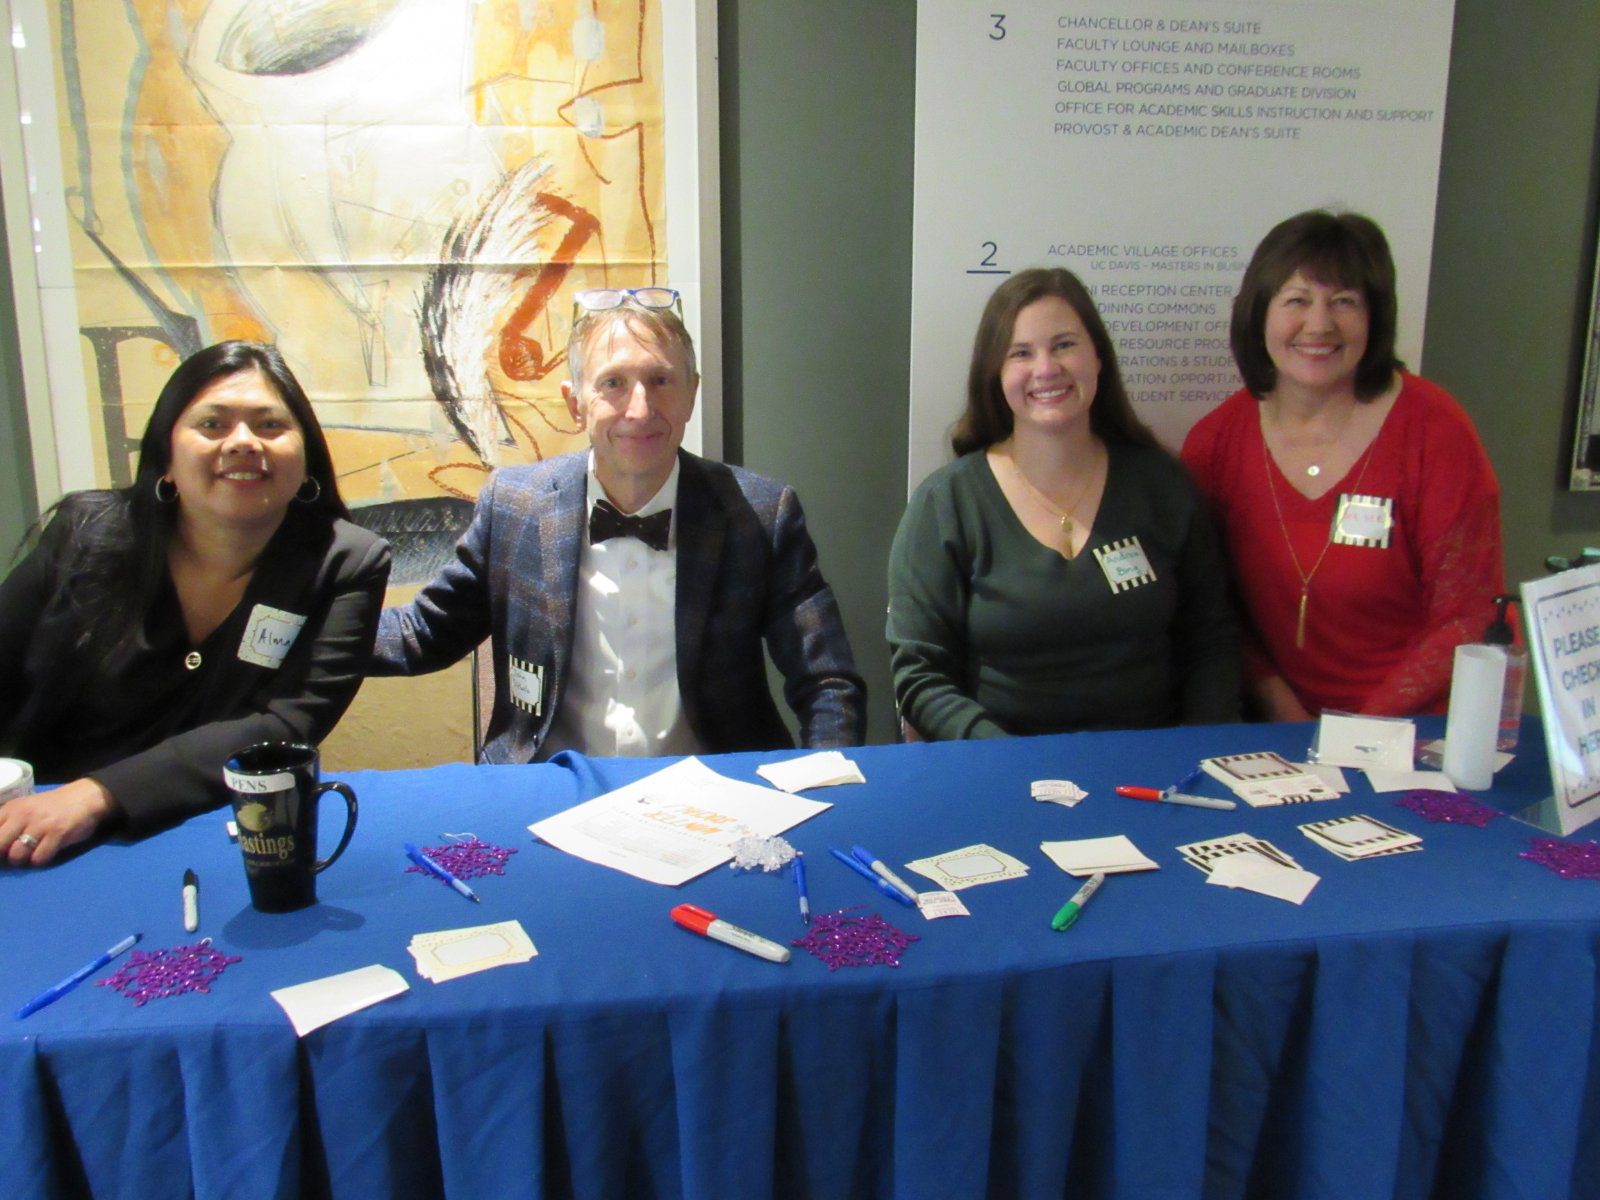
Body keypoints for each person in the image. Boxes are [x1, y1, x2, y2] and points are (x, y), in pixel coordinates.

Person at [370, 287, 866, 758]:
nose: (640, 408)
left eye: (660, 380)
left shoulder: (760, 513)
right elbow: (423, 635)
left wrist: (822, 787)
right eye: (613, 383)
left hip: (716, 796)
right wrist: (303, 625)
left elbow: (826, 682)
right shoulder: (513, 506)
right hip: (552, 791)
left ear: (692, 393)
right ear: (575, 401)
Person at [0, 341, 391, 865]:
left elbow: (284, 724)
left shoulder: (347, 562)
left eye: (270, 425)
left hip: (213, 832)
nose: (243, 442)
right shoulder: (85, 534)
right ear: (166, 458)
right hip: (39, 823)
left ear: (306, 457)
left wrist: (97, 795)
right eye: (213, 425)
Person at [888, 267, 1240, 740]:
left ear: (1098, 356)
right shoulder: (946, 504)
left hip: (1149, 770)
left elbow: (1211, 642)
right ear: (995, 373)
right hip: (1000, 770)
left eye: (1064, 345)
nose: (1046, 368)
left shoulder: (1163, 486)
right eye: (1021, 353)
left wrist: (1194, 750)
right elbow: (919, 673)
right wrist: (1005, 757)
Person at [1181, 210, 1504, 719]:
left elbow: (1467, 617)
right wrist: (1280, 705)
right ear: (1259, 313)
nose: (1320, 324)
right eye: (1297, 301)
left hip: (1413, 730)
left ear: (1375, 317)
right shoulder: (1216, 443)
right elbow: (1211, 605)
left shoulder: (1435, 432)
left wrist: (1360, 730)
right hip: (1275, 729)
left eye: (1344, 302)